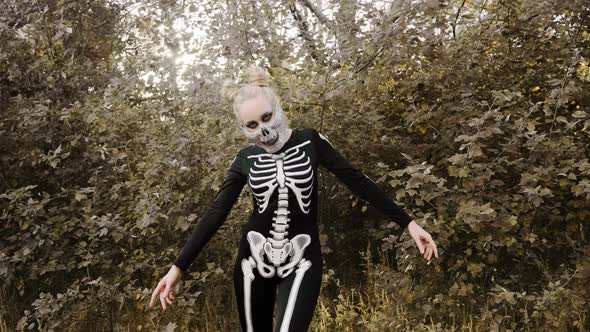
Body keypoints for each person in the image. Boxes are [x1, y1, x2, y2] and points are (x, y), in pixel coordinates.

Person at [149, 64, 439, 331]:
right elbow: (216, 213)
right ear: (244, 130)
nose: (263, 128)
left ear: (278, 109)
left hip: (303, 260)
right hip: (253, 261)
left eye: (267, 117)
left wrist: (409, 224)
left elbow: (357, 181)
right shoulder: (245, 159)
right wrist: (178, 268)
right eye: (252, 125)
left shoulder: (310, 141)